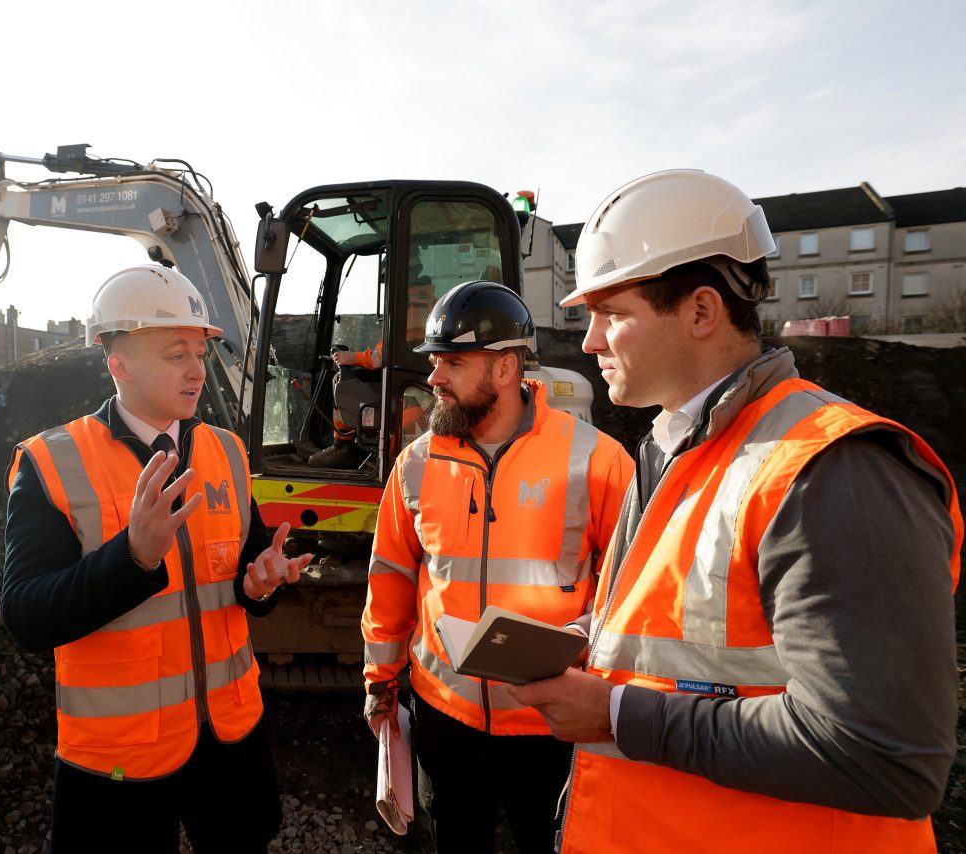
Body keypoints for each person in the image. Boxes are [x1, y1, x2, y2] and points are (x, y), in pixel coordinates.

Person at [508, 169, 963, 852]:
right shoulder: (671, 447)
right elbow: (702, 637)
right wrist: (590, 641)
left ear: (700, 311)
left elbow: (886, 757)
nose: (592, 341)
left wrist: (618, 713)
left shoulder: (831, 470)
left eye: (614, 314)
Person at [0, 265, 314, 853]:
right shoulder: (53, 464)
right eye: (177, 354)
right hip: (123, 756)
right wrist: (134, 558)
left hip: (229, 739)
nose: (198, 370)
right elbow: (25, 615)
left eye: (200, 352)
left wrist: (262, 584)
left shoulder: (225, 450)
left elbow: (240, 574)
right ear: (116, 362)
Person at [361, 280, 633, 852]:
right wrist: (380, 681)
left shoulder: (597, 460)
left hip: (550, 719)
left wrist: (605, 693)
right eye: (436, 362)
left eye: (453, 363)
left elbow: (629, 592)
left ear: (505, 369)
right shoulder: (416, 463)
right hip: (445, 713)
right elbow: (390, 577)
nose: (434, 378)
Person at [309, 277, 438, 468]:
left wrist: (352, 358)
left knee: (341, 381)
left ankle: (345, 446)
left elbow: (387, 356)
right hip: (417, 393)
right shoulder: (426, 303)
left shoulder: (413, 306)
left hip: (413, 396)